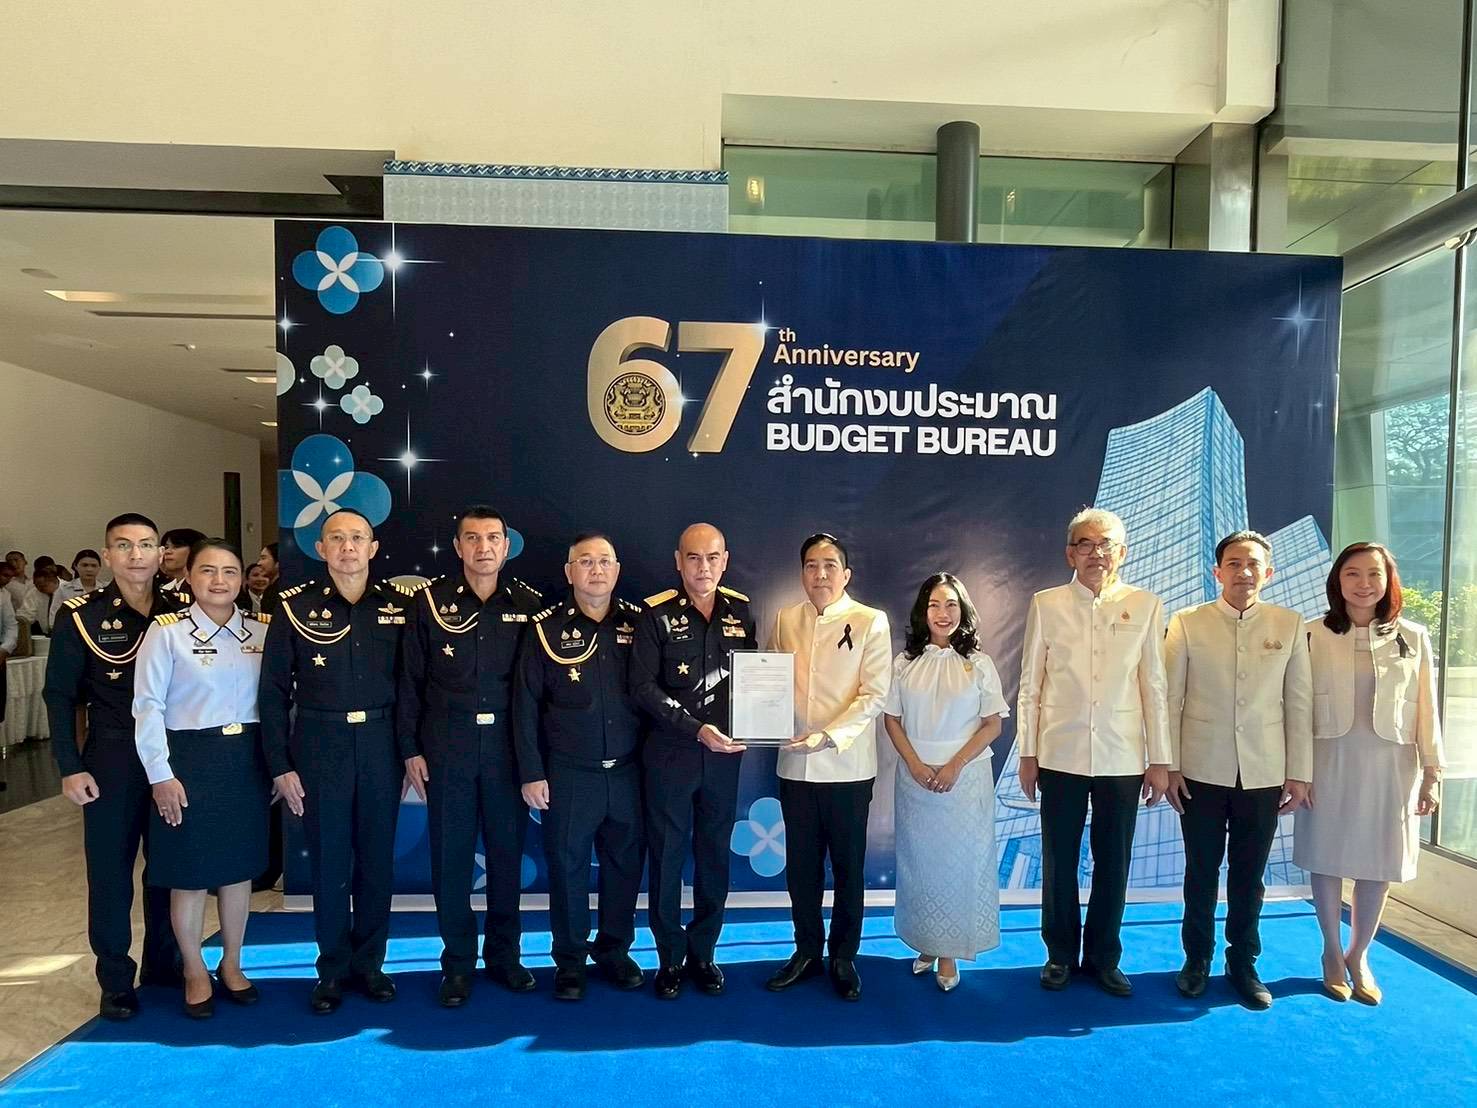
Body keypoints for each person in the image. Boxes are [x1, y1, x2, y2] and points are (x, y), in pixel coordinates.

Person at [259, 509, 413, 1014]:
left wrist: (409, 750)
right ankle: (331, 969)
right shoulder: (294, 607)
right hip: (319, 744)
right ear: (320, 548)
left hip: (381, 744)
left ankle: (370, 964)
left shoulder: (399, 607)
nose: (348, 547)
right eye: (337, 539)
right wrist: (280, 764)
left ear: (373, 548)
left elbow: (413, 687)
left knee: (376, 861)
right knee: (329, 863)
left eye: (357, 538)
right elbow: (273, 692)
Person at [1016, 507, 1170, 998]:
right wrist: (1027, 753)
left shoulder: (1145, 605)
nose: (1096, 553)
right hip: (1059, 751)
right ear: (1070, 553)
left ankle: (1104, 957)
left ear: (1122, 552)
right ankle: (1060, 954)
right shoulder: (1047, 603)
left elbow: (1154, 686)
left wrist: (1160, 759)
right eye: (1085, 543)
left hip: (1122, 755)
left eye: (1106, 544)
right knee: (1058, 858)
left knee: (1113, 860)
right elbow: (1030, 686)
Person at [42, 513, 190, 1020]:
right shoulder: (81, 615)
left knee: (167, 867)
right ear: (107, 556)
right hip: (112, 756)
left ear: (160, 554)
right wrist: (69, 765)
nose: (136, 555)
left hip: (171, 756)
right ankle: (115, 979)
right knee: (110, 872)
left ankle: (165, 964)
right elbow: (59, 695)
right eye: (123, 546)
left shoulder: (180, 610)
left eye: (146, 544)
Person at [396, 505, 543, 1006]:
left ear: (506, 546)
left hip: (507, 750)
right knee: (451, 859)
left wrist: (534, 759)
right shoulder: (429, 602)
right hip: (446, 747)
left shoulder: (530, 605)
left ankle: (505, 957)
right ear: (458, 546)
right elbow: (409, 680)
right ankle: (457, 963)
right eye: (473, 538)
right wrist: (410, 747)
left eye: (493, 538)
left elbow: (536, 691)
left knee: (506, 857)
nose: (484, 547)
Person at [1164, 530, 1312, 1009]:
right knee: (1201, 872)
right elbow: (1170, 698)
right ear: (1217, 572)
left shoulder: (1289, 624)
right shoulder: (1187, 622)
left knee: (1250, 875)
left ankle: (1243, 962)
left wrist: (1299, 772)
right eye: (1233, 563)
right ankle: (1196, 959)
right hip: (1200, 770)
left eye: (1253, 564)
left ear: (1268, 573)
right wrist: (1169, 765)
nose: (1243, 572)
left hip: (1264, 772)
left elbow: (1299, 702)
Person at [1294, 542, 1443, 1006]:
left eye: (1374, 574)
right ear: (1337, 581)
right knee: (1327, 856)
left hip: (1391, 763)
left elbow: (1428, 707)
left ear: (1388, 581)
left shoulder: (1412, 636)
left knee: (1379, 861)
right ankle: (1331, 951)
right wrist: (1297, 771)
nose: (1363, 584)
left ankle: (1359, 955)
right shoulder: (1310, 633)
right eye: (1352, 574)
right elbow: (1294, 708)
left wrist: (1433, 771)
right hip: (1326, 759)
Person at [132, 538, 271, 1018]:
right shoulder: (166, 633)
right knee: (188, 875)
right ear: (189, 577)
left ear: (242, 579)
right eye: (207, 570)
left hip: (245, 761)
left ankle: (232, 963)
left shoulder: (261, 630)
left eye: (230, 571)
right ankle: (193, 968)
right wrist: (160, 774)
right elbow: (147, 707)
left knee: (238, 871)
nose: (219, 580)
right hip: (188, 762)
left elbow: (278, 702)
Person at [514, 533, 646, 1001]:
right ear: (569, 572)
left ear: (617, 570)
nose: (596, 570)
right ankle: (569, 960)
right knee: (567, 869)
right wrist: (532, 771)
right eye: (585, 562)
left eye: (604, 561)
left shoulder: (639, 624)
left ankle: (614, 950)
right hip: (570, 773)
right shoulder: (544, 628)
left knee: (624, 866)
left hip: (629, 772)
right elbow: (525, 705)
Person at [630, 522, 757, 999]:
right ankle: (669, 958)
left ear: (725, 561)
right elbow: (642, 687)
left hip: (723, 758)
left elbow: (753, 677)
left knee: (714, 855)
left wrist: (758, 721)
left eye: (712, 557)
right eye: (694, 557)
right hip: (671, 753)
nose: (703, 567)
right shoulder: (655, 614)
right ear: (678, 562)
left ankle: (703, 953)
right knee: (666, 856)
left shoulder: (740, 612)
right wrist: (695, 728)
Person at [765, 533, 892, 1002]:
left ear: (846, 574)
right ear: (802, 573)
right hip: (794, 766)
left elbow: (873, 695)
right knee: (801, 869)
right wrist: (762, 719)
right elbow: (771, 682)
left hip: (847, 766)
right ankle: (806, 951)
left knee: (847, 868)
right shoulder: (786, 618)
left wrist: (827, 736)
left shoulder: (870, 621)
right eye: (811, 565)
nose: (820, 574)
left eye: (830, 565)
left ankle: (843, 956)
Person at [882, 573, 1008, 992]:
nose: (943, 613)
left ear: (963, 610)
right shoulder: (904, 663)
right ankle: (927, 941)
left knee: (958, 865)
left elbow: (992, 724)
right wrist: (915, 765)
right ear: (923, 611)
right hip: (915, 779)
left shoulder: (980, 663)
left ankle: (950, 950)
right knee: (920, 865)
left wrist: (954, 765)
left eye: (951, 604)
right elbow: (892, 719)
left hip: (964, 780)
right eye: (934, 604)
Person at [51, 549, 103, 623]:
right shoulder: (64, 590)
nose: (89, 569)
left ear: (99, 567)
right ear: (75, 566)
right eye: (85, 565)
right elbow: (54, 618)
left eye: (93, 566)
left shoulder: (107, 588)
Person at [158, 528, 205, 601]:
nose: (167, 552)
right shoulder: (161, 588)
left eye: (177, 546)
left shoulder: (201, 587)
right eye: (166, 547)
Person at [20, 564, 61, 635]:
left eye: (42, 586)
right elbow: (26, 613)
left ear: (54, 581)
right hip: (44, 634)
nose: (39, 589)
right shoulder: (34, 592)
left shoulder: (68, 590)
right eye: (36, 585)